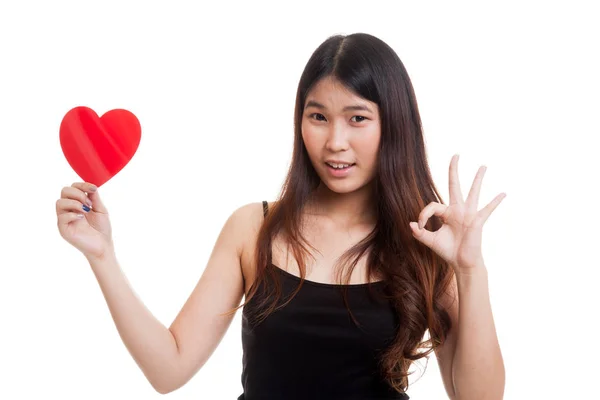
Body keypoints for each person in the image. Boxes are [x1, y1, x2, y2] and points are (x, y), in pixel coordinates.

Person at [55, 33, 506, 399]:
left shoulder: (425, 243)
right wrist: (103, 256)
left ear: (393, 125)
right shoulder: (254, 229)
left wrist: (470, 269)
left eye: (357, 118)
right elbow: (168, 370)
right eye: (318, 116)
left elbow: (479, 398)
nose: (335, 142)